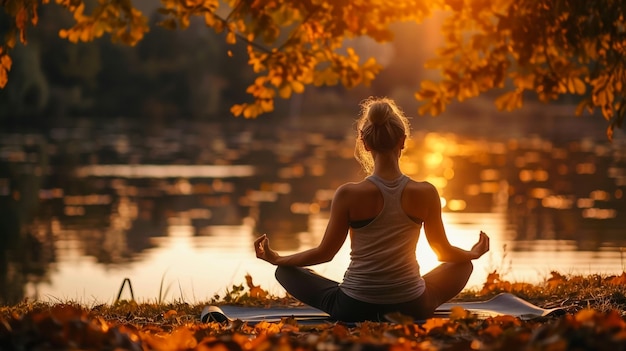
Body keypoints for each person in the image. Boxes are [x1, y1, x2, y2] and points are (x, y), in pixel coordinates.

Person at [254, 96, 490, 322]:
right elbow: (444, 252)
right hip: (412, 306)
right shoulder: (426, 192)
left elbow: (324, 253)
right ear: (403, 141)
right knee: (463, 265)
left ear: (365, 143)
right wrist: (473, 254)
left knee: (285, 272)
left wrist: (278, 259)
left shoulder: (348, 194)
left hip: (353, 307)